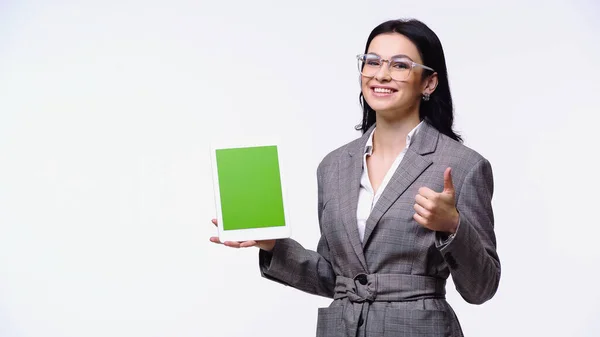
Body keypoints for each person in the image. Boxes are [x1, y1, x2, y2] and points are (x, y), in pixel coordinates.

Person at [210, 18, 500, 337]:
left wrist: (452, 226)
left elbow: (481, 287)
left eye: (400, 65)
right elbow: (334, 276)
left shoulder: (462, 165)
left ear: (429, 82)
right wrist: (273, 246)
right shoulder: (334, 166)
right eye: (372, 62)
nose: (381, 74)